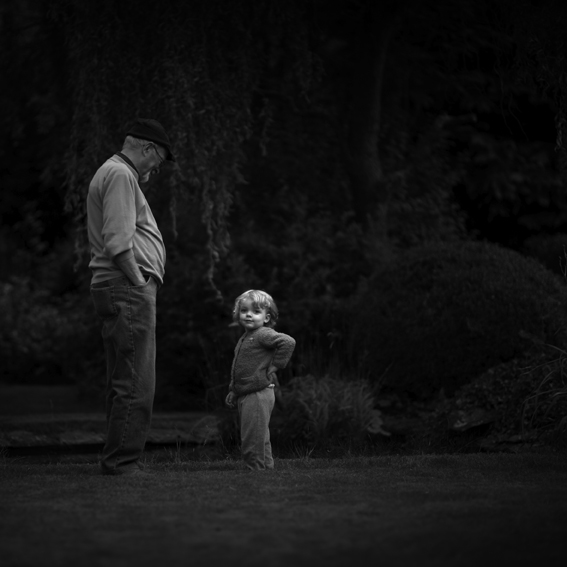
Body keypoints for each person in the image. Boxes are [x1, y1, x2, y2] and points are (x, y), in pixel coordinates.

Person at [87, 118, 175, 475]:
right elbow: (118, 243)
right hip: (127, 287)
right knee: (138, 381)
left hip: (116, 287)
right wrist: (139, 283)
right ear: (148, 148)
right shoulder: (121, 175)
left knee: (123, 378)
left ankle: (117, 457)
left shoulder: (112, 172)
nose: (158, 168)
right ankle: (122, 462)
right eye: (160, 160)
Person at [225, 289, 296, 470]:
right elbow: (242, 368)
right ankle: (265, 469)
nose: (249, 315)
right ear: (238, 313)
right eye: (244, 310)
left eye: (256, 311)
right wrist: (234, 390)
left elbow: (288, 342)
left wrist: (277, 365)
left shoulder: (263, 334)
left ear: (266, 317)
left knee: (252, 437)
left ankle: (254, 470)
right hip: (248, 392)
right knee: (259, 435)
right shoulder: (246, 337)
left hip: (258, 394)